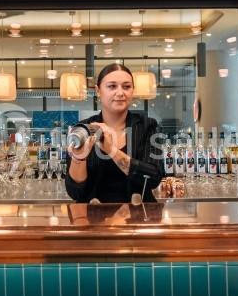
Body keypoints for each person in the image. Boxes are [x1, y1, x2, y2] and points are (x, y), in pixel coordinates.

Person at [64, 63, 164, 203]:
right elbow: (76, 193)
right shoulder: (83, 130)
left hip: (138, 217)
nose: (120, 92)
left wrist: (111, 150)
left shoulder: (148, 126)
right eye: (112, 86)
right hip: (94, 218)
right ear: (98, 91)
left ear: (133, 90)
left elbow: (153, 178)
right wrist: (79, 158)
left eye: (126, 86)